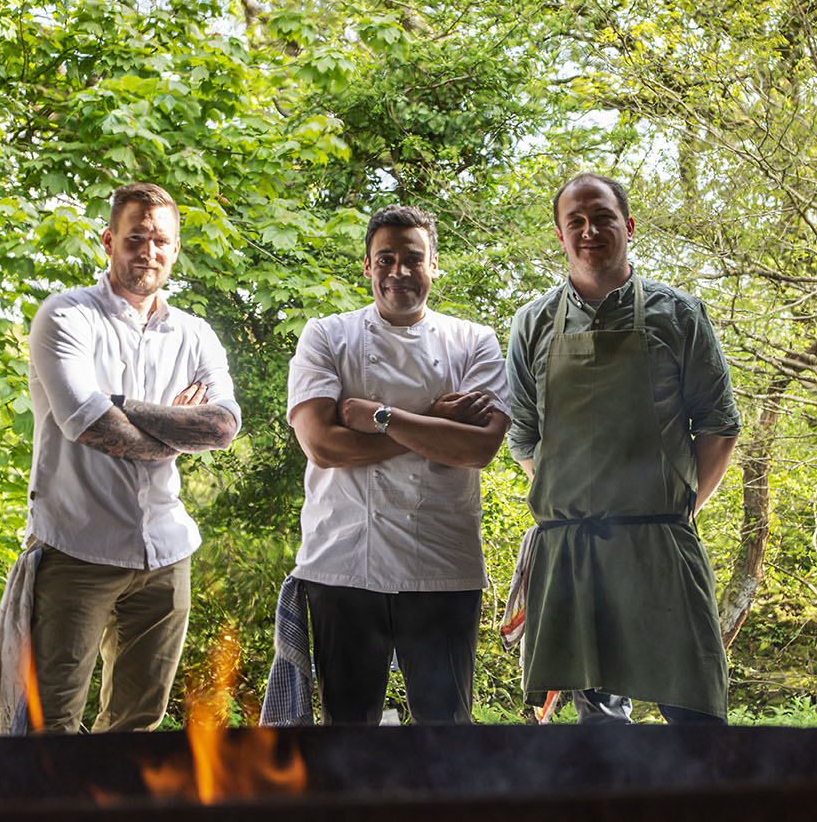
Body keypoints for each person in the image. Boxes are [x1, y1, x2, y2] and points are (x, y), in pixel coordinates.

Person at [506, 172, 740, 724]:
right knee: (600, 737)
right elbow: (523, 437)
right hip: (572, 554)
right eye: (576, 222)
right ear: (560, 236)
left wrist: (677, 510)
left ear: (628, 226)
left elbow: (719, 428)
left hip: (659, 546)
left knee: (696, 720)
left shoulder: (680, 314)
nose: (590, 230)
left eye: (603, 217)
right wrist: (577, 498)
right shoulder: (531, 324)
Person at [23, 182, 241, 733]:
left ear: (175, 249)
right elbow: (94, 427)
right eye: (135, 238)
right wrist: (171, 427)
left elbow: (222, 426)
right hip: (77, 547)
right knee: (51, 725)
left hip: (166, 555)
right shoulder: (66, 316)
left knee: (136, 728)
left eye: (160, 240)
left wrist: (122, 405)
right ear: (109, 241)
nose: (148, 251)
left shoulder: (195, 334)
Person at [285, 205, 510, 724]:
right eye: (385, 258)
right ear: (367, 266)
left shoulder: (474, 341)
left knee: (446, 732)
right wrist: (431, 420)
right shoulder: (327, 335)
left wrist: (378, 417)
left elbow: (478, 449)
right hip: (343, 561)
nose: (398, 271)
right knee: (347, 732)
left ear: (435, 266)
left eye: (413, 258)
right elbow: (322, 445)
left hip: (442, 563)